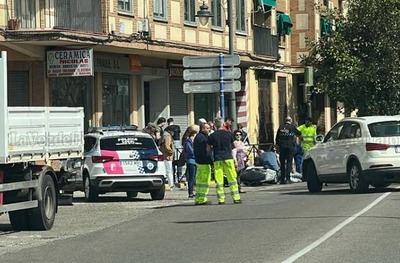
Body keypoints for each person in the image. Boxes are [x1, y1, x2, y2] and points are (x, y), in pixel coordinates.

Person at [208, 117, 241, 204]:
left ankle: (221, 199)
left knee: (219, 180)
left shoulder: (212, 136)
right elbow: (234, 147)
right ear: (223, 124)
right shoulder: (229, 134)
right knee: (232, 178)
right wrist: (235, 159)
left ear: (215, 125)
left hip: (217, 159)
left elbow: (208, 148)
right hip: (228, 158)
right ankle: (236, 197)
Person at [275, 116, 301, 184]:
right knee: (289, 163)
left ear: (285, 121)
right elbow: (299, 133)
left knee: (282, 163)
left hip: (282, 147)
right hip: (290, 147)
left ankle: (282, 179)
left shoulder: (280, 127)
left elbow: (277, 138)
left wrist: (278, 146)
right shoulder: (292, 127)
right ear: (290, 121)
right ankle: (288, 178)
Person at [193, 123, 213, 205]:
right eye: (207, 128)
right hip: (204, 162)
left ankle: (198, 198)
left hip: (198, 162)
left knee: (199, 181)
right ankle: (202, 199)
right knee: (205, 181)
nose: (209, 130)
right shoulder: (204, 138)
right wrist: (211, 161)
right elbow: (207, 151)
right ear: (202, 129)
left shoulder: (197, 137)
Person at [157, 117, 175, 190]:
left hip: (163, 155)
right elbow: (167, 146)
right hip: (167, 156)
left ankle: (167, 184)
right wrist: (172, 152)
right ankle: (171, 185)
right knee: (169, 170)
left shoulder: (164, 135)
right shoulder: (167, 136)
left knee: (165, 170)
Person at [167, 118, 182, 185]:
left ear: (168, 122)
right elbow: (179, 134)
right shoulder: (177, 127)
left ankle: (173, 178)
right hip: (178, 145)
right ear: (173, 121)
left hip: (171, 145)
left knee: (172, 163)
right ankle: (179, 178)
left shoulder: (167, 129)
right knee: (179, 163)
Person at [183, 129, 198, 198]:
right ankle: (190, 192)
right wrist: (197, 154)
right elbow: (190, 151)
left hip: (195, 161)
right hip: (191, 161)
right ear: (192, 135)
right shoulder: (188, 142)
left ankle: (193, 191)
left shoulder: (192, 142)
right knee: (191, 177)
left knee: (194, 177)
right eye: (195, 136)